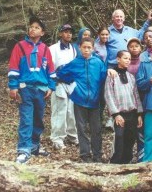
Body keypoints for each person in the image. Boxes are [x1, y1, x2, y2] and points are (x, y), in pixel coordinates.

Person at [8, 16, 56, 164]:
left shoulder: (45, 49)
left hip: (41, 90)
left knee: (38, 119)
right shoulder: (20, 46)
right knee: (26, 119)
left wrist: (51, 86)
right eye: (31, 27)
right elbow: (14, 67)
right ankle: (23, 150)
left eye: (36, 27)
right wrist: (13, 86)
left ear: (42, 32)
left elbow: (50, 69)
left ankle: (35, 147)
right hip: (25, 89)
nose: (32, 29)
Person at [56, 37, 107, 163]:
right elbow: (61, 74)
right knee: (82, 128)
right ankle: (85, 154)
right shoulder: (75, 63)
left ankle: (97, 154)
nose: (86, 50)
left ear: (93, 48)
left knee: (96, 129)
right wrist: (73, 86)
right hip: (80, 101)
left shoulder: (98, 62)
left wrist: (102, 98)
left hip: (95, 102)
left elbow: (103, 79)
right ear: (80, 47)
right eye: (84, 47)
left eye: (89, 47)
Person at [104, 50, 143, 164]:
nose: (128, 61)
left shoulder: (131, 77)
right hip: (119, 113)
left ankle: (127, 160)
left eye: (129, 59)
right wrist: (116, 114)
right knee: (119, 136)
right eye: (125, 58)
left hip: (132, 112)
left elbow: (136, 95)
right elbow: (108, 94)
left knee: (130, 137)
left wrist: (139, 113)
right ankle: (116, 161)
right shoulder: (112, 76)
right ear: (118, 59)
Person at [49, 24, 78, 150]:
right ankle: (57, 138)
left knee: (72, 111)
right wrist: (52, 81)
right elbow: (49, 67)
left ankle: (72, 135)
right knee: (59, 111)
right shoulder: (53, 48)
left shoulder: (73, 48)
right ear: (60, 33)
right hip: (58, 83)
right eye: (65, 32)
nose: (68, 34)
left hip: (71, 83)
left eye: (70, 32)